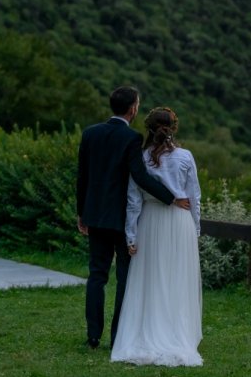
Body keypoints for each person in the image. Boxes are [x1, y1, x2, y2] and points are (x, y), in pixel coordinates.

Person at [77, 86, 190, 350]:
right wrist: (171, 197)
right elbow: (139, 178)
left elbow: (82, 177)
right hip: (120, 218)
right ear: (133, 109)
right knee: (124, 279)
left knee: (97, 276)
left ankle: (93, 336)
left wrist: (81, 212)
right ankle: (118, 337)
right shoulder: (131, 138)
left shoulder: (90, 133)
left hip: (94, 215)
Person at [111, 106, 203, 366]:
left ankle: (150, 330)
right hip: (179, 223)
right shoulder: (185, 156)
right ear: (174, 129)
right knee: (177, 279)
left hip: (150, 222)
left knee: (152, 277)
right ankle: (176, 331)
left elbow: (133, 201)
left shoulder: (141, 158)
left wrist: (131, 236)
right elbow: (194, 197)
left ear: (148, 129)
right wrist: (195, 229)